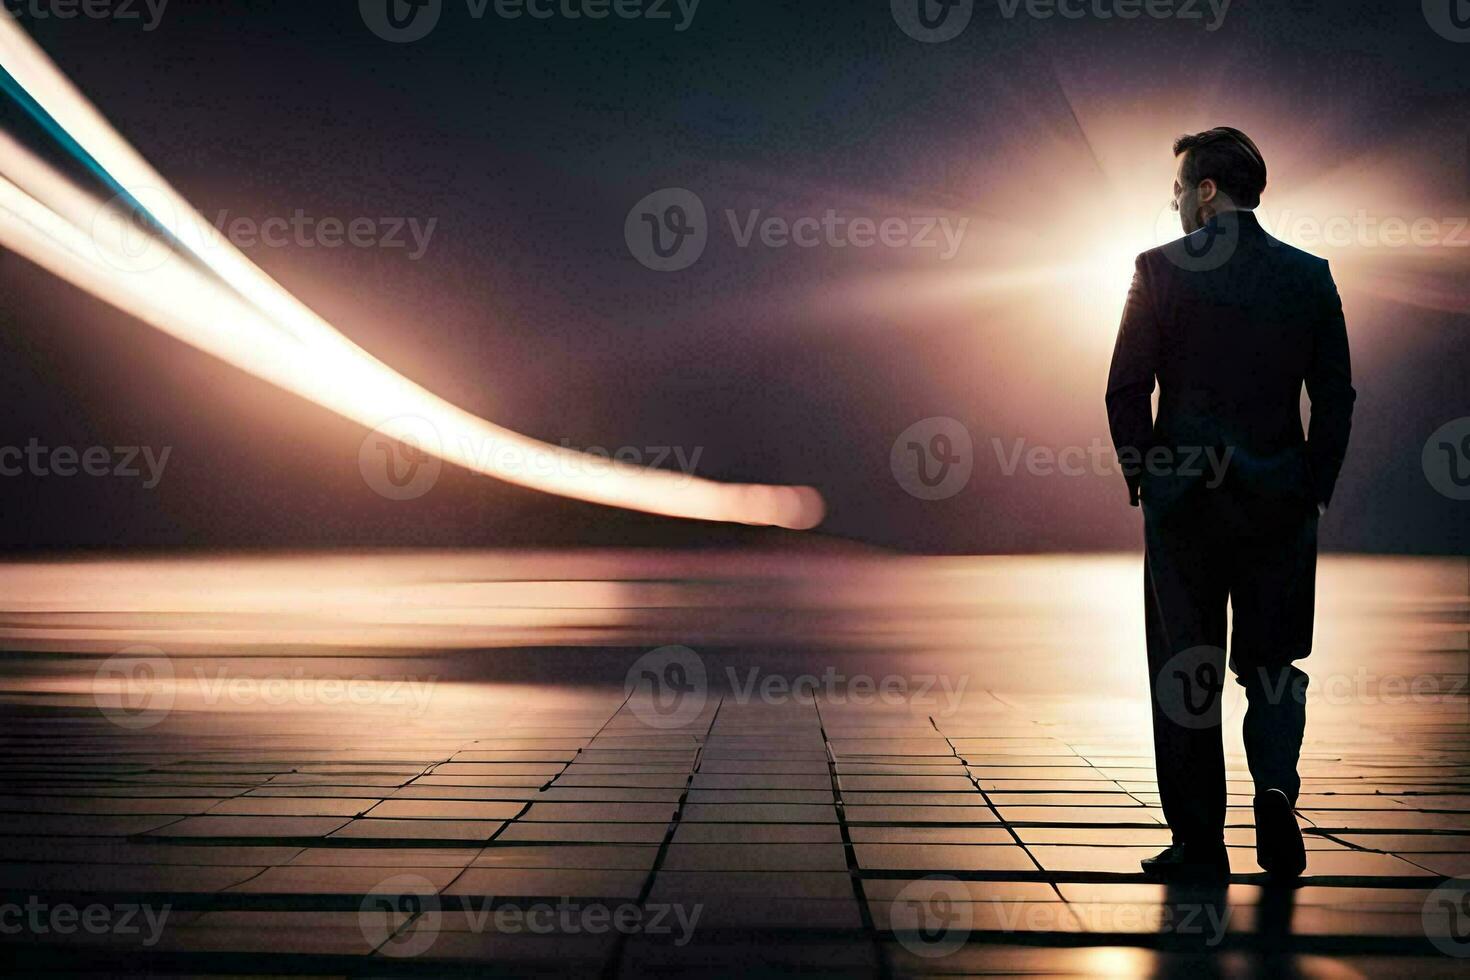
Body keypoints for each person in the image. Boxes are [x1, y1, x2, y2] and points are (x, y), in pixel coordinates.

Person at [1105, 127, 1355, 880]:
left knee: (1187, 668)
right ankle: (1275, 787)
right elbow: (1335, 395)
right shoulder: (1309, 276)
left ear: (1206, 190)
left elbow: (1125, 388)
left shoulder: (1157, 270)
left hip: (1184, 505)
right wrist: (1314, 482)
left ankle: (1198, 844)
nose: (1175, 201)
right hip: (1277, 497)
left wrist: (1142, 474)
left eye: (1180, 187)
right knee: (1274, 664)